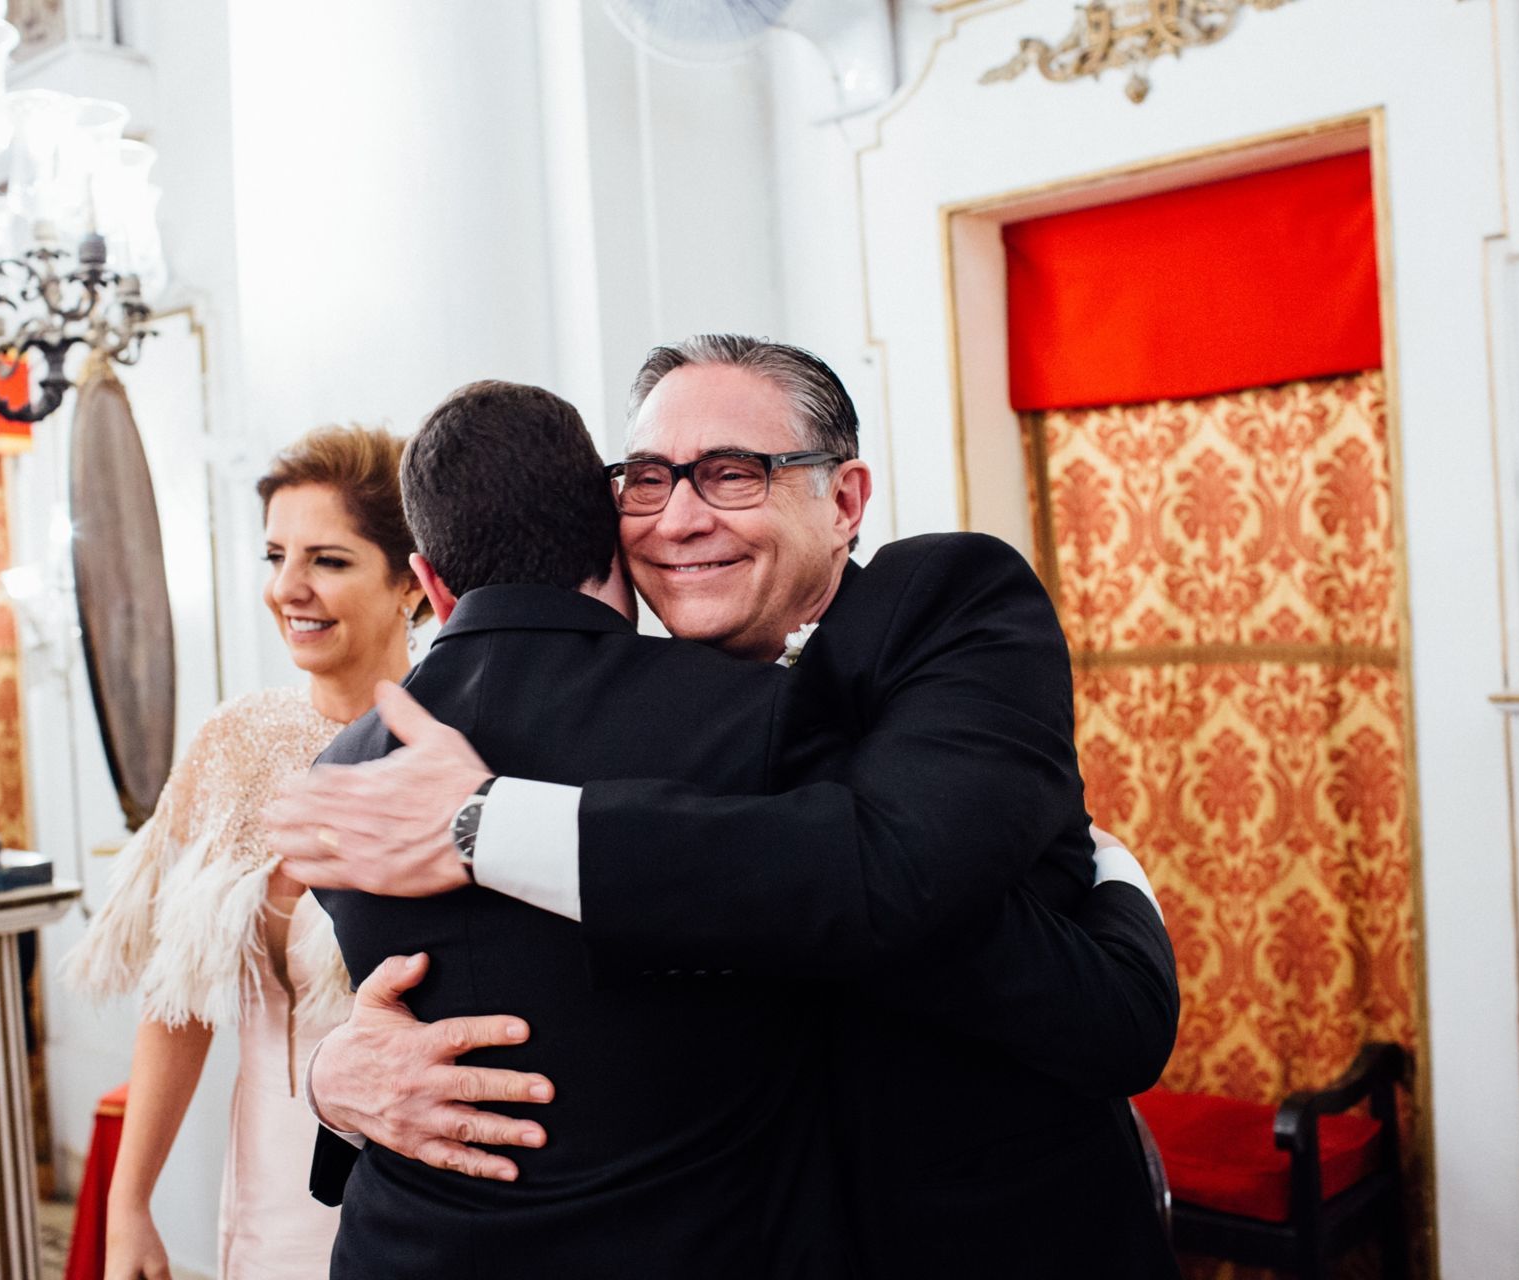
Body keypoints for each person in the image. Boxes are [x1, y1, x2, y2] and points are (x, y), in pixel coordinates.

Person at [274, 337, 1179, 1277]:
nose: (679, 519)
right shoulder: (655, 713)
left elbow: (933, 906)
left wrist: (481, 822)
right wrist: (334, 1081)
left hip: (989, 1237)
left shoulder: (945, 603)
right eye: (649, 480)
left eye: (733, 475)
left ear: (844, 500)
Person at [281, 381, 853, 1277]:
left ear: (429, 581)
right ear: (611, 536)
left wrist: (324, 1079)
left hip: (407, 1250)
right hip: (697, 1251)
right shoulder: (759, 718)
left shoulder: (345, 770)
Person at [63, 427, 428, 1280]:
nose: (287, 589)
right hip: (273, 1183)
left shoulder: (452, 742)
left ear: (411, 580)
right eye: (275, 556)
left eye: (328, 561)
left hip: (419, 1181)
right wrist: (130, 1204)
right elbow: (178, 1003)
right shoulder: (234, 744)